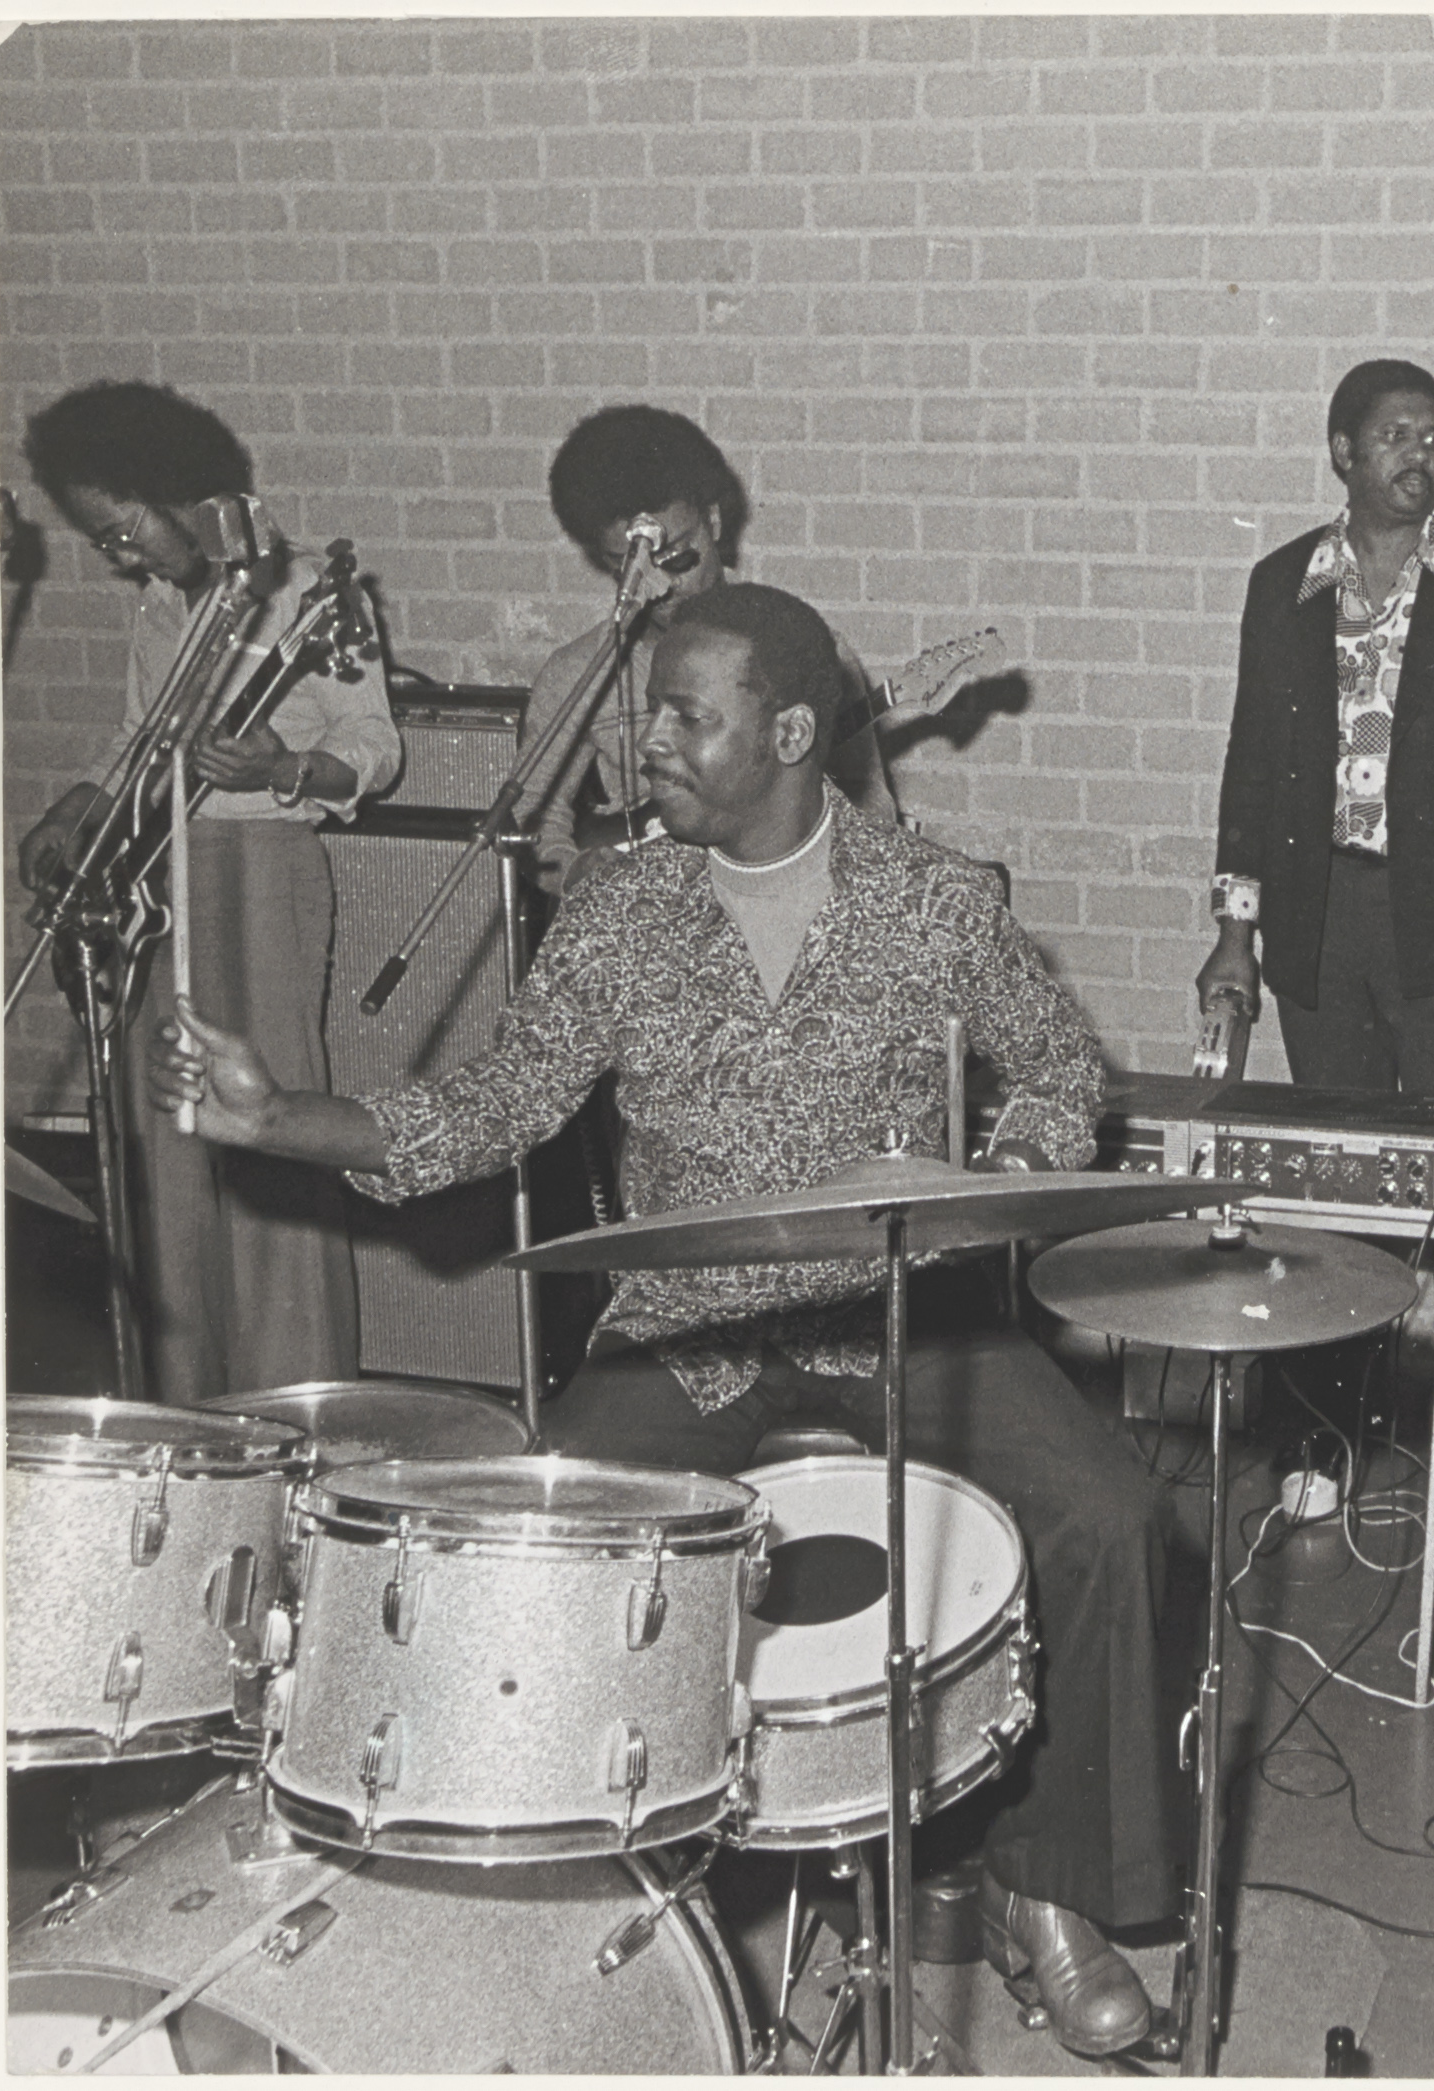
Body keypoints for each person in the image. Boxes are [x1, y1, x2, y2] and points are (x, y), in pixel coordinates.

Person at [149, 582, 1167, 2060]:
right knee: (539, 1557)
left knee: (1112, 1516)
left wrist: (1007, 1168)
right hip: (684, 1328)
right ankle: (564, 1898)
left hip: (899, 1314)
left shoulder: (935, 900)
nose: (650, 743)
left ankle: (1046, 1891)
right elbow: (494, 1105)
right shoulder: (621, 909)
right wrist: (280, 1117)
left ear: (791, 732)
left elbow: (1062, 1066)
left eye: (687, 716)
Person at [1198, 358, 1434, 1512]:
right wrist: (1235, 933)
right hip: (1315, 921)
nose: (1420, 455)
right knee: (1333, 1180)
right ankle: (1324, 1435)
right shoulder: (1283, 584)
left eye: (1433, 436)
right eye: (1395, 437)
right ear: (1342, 453)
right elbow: (1249, 768)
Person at [17, 380, 400, 1406]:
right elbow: (140, 740)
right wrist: (81, 804)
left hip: (265, 868)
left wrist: (282, 767)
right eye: (103, 540)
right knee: (169, 1134)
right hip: (161, 872)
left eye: (123, 529)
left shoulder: (306, 588)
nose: (119, 555)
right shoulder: (159, 604)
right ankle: (184, 1400)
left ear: (180, 493)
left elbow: (375, 749)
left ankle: (289, 1396)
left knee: (268, 1131)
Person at [517, 404, 895, 894]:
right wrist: (574, 874)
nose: (660, 587)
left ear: (713, 521)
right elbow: (527, 819)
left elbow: (872, 811)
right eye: (628, 567)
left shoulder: (808, 649)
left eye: (678, 558)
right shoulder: (576, 673)